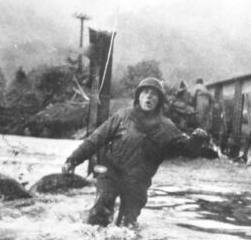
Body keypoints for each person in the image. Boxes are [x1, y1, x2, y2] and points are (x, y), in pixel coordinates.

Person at [62, 77, 208, 227]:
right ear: (138, 96)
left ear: (159, 100)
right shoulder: (122, 116)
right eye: (144, 92)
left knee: (127, 226)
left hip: (138, 183)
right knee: (98, 214)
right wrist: (72, 160)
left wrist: (196, 140)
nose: (149, 96)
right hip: (111, 173)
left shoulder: (167, 127)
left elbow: (187, 150)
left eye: (154, 94)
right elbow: (95, 140)